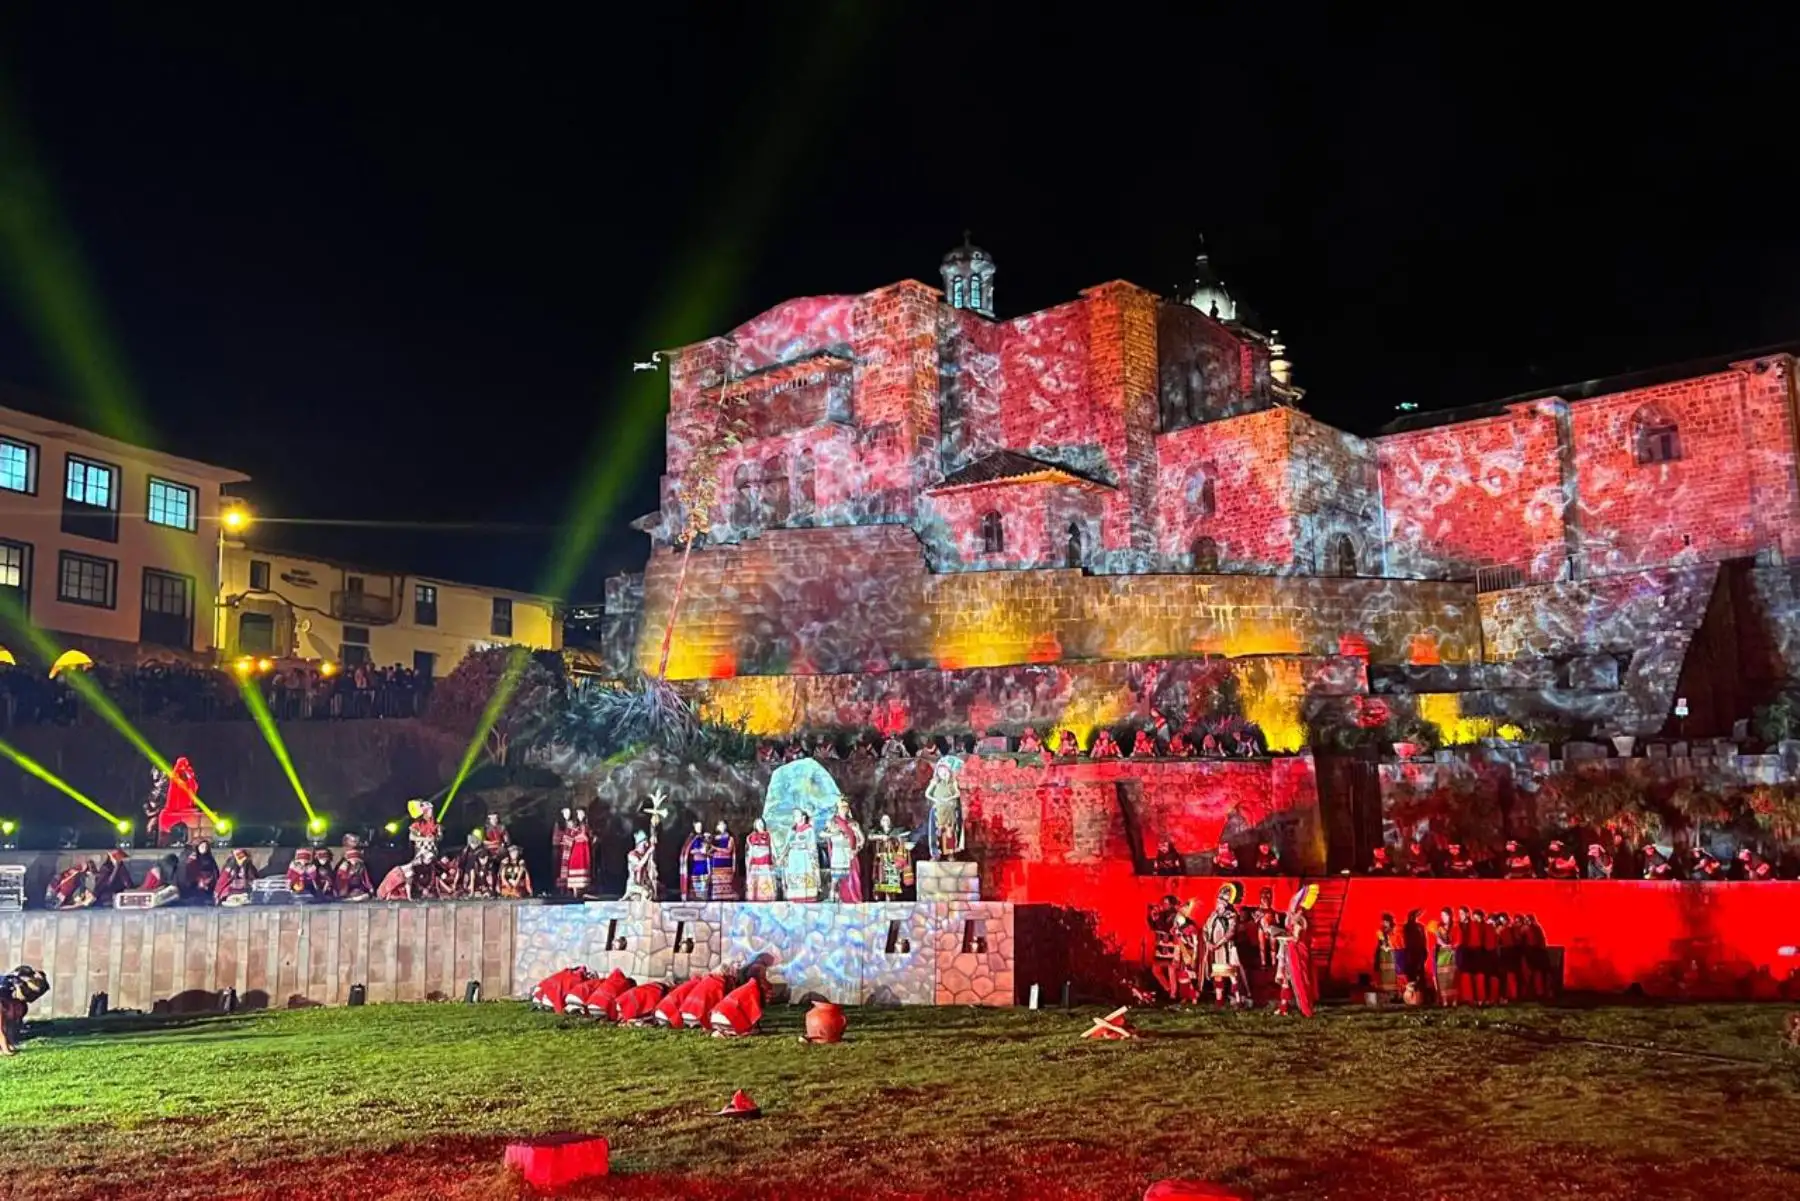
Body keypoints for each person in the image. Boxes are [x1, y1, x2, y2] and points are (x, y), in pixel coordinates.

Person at [1202, 884, 1251, 1009]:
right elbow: (1205, 928)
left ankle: (1238, 1000)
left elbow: (1231, 932)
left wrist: (1218, 944)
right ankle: (1219, 1001)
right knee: (1218, 973)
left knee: (1232, 974)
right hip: (1215, 950)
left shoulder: (1232, 915)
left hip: (1228, 948)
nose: (1219, 903)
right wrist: (1208, 942)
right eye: (1218, 900)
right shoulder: (1213, 915)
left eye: (1222, 901)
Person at [1274, 884, 1319, 1016]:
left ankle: (1306, 1008)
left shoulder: (1299, 920)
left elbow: (1295, 938)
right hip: (1289, 951)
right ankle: (1283, 1007)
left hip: (1297, 952)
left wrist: (1282, 938)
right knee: (1285, 979)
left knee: (1300, 979)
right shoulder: (1292, 918)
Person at [823, 799, 866, 903]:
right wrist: (835, 833)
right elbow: (823, 834)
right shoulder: (833, 822)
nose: (844, 810)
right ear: (837, 809)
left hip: (851, 853)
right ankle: (835, 896)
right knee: (837, 877)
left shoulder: (853, 823)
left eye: (845, 807)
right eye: (841, 808)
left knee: (853, 876)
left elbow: (862, 840)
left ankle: (853, 897)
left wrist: (856, 849)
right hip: (839, 851)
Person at [923, 757, 966, 861]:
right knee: (936, 833)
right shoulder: (935, 782)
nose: (943, 773)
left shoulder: (953, 783)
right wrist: (936, 800)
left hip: (950, 811)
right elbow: (927, 794)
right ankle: (935, 854)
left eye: (945, 770)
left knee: (949, 833)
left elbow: (957, 794)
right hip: (938, 810)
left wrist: (948, 799)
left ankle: (950, 853)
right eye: (940, 771)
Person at [1, 966, 49, 1056]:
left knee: (9, 1024)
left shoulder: (18, 997)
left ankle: (8, 1045)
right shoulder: (12, 983)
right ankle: (4, 1048)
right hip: (4, 998)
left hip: (8, 999)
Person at [870, 814, 914, 900]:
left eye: (887, 819)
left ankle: (890, 899)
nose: (886, 821)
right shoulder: (877, 831)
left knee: (892, 882)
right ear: (881, 822)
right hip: (881, 859)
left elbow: (904, 837)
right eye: (884, 820)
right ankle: (881, 899)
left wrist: (897, 839)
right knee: (880, 880)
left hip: (892, 859)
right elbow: (870, 836)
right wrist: (880, 837)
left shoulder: (896, 831)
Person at [782, 809, 822, 902]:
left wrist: (813, 858)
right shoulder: (792, 830)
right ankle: (794, 896)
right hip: (793, 857)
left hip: (804, 856)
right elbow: (787, 844)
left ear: (803, 817)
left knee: (805, 876)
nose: (795, 817)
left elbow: (812, 845)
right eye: (794, 815)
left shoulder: (808, 829)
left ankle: (808, 896)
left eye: (797, 815)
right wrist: (783, 856)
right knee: (794, 877)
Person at [1147, 894, 1181, 999]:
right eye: (1164, 902)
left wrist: (1157, 916)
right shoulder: (1162, 914)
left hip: (1172, 944)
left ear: (1171, 904)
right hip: (1161, 945)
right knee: (1156, 969)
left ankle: (1173, 994)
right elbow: (1153, 926)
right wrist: (1151, 916)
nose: (1164, 905)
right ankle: (1168, 989)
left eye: (1167, 903)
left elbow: (1166, 927)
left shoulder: (1175, 915)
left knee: (1172, 969)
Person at [744, 818, 777, 901]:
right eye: (758, 823)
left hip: (765, 861)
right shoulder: (751, 836)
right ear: (755, 825)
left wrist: (775, 857)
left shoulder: (768, 835)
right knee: (754, 880)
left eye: (761, 823)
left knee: (765, 879)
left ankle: (766, 897)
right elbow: (750, 851)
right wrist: (748, 863)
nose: (760, 825)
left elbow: (772, 847)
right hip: (755, 861)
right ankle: (754, 897)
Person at [566, 810, 595, 898]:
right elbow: (570, 836)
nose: (580, 815)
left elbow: (590, 837)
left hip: (584, 850)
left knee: (584, 865)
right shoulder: (576, 827)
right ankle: (575, 890)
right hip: (576, 849)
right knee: (574, 865)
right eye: (578, 814)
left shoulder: (587, 826)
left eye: (581, 813)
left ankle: (583, 890)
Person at [1432, 907, 1458, 1006]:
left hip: (1452, 953)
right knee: (1442, 977)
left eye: (1445, 915)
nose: (1443, 917)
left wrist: (1452, 945)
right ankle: (1445, 1000)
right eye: (1442, 915)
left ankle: (1454, 1000)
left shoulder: (1455, 926)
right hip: (1442, 954)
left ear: (1450, 916)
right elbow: (1437, 940)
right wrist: (1442, 944)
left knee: (1452, 977)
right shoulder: (1439, 927)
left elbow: (1458, 939)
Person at [623, 829, 657, 901]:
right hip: (633, 886)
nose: (646, 846)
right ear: (638, 844)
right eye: (644, 844)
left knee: (650, 893)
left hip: (642, 885)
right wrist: (649, 852)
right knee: (645, 893)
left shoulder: (644, 856)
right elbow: (639, 866)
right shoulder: (632, 855)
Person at [682, 822, 713, 901]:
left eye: (701, 826)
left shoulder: (704, 837)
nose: (700, 828)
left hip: (704, 863)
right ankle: (696, 897)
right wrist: (699, 850)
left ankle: (703, 897)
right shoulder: (692, 838)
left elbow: (708, 848)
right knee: (696, 881)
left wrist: (707, 849)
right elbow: (689, 850)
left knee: (704, 881)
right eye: (698, 826)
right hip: (696, 864)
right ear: (694, 827)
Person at [710, 821, 738, 901]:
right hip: (716, 862)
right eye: (719, 824)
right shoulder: (714, 838)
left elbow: (728, 850)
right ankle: (717, 898)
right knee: (716, 881)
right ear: (717, 827)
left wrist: (715, 848)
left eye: (723, 824)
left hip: (726, 862)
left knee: (727, 880)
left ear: (726, 826)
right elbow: (709, 851)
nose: (721, 826)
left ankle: (727, 898)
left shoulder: (730, 837)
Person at [1373, 913, 1399, 997]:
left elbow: (1394, 940)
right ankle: (1383, 992)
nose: (1383, 923)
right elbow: (1382, 942)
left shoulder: (1392, 930)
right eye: (1383, 921)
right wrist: (1384, 947)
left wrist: (1389, 947)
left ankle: (1392, 992)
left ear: (1388, 922)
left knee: (1391, 971)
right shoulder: (1380, 931)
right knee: (1382, 972)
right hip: (1383, 952)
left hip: (1391, 953)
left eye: (1385, 921)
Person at [407, 800, 440, 864]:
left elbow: (440, 836)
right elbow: (411, 837)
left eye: (431, 810)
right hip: (421, 853)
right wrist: (426, 839)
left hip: (434, 852)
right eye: (428, 810)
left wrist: (435, 837)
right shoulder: (416, 824)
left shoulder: (436, 824)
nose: (431, 812)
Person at [551, 807, 575, 894]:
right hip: (561, 849)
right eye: (565, 812)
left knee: (569, 868)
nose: (567, 815)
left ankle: (569, 888)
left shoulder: (572, 823)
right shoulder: (559, 824)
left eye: (568, 812)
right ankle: (560, 888)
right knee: (560, 869)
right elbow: (556, 837)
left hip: (570, 848)